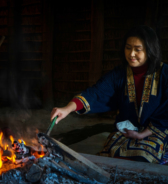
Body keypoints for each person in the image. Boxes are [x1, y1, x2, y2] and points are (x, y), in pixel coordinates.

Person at [51, 25, 168, 164]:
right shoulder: (119, 74)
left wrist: (143, 134)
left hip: (156, 130)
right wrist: (67, 109)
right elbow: (96, 93)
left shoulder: (164, 73)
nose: (131, 54)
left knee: (140, 159)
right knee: (110, 157)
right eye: (128, 47)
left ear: (150, 50)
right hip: (125, 130)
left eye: (138, 49)